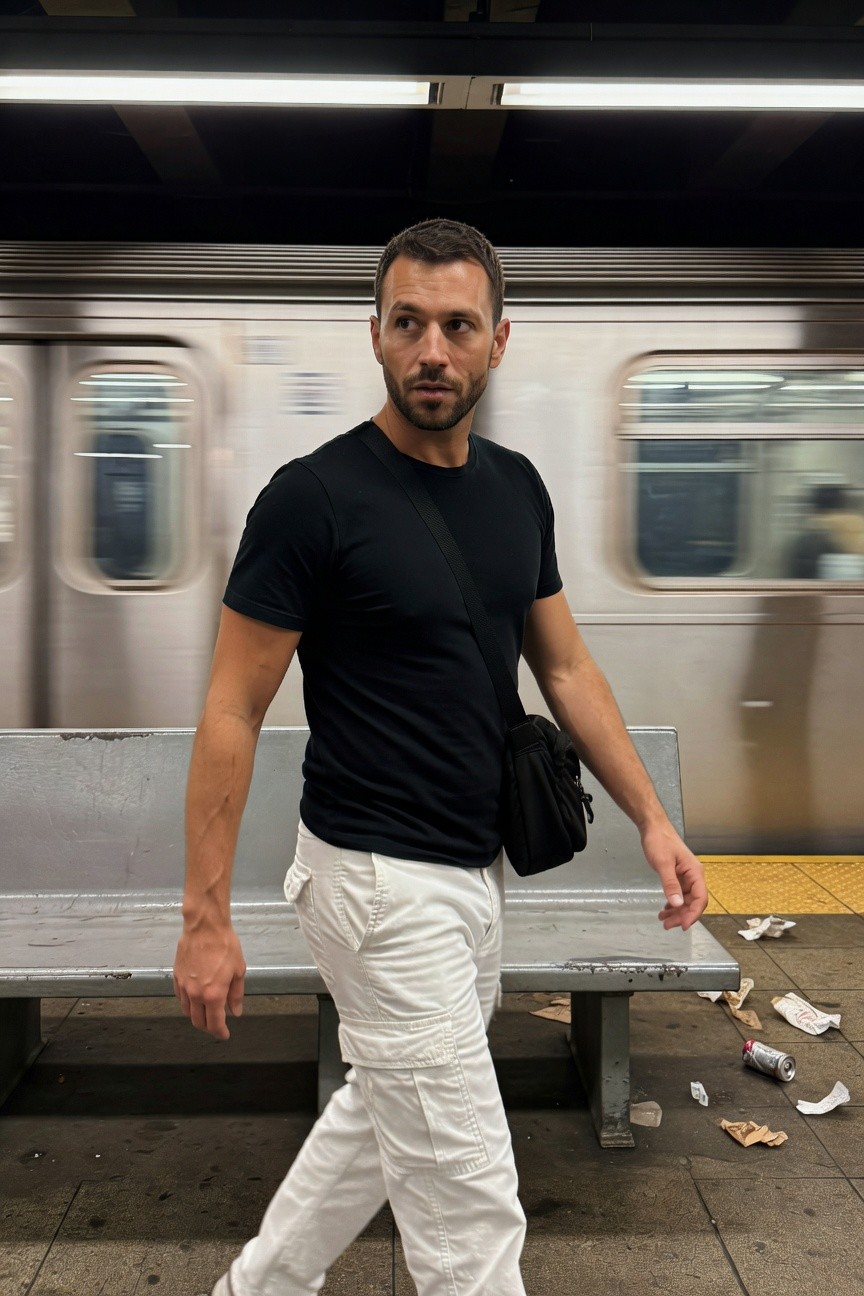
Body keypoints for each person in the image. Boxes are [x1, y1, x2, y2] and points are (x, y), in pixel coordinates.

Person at [173, 218, 708, 1296]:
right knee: (469, 1203)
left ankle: (255, 1288)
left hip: (472, 875)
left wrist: (653, 819)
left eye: (457, 326)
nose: (432, 350)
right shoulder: (312, 499)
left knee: (384, 1113)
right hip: (374, 885)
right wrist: (205, 917)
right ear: (374, 334)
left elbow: (565, 671)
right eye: (409, 323)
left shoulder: (515, 490)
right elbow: (232, 708)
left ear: (498, 341)